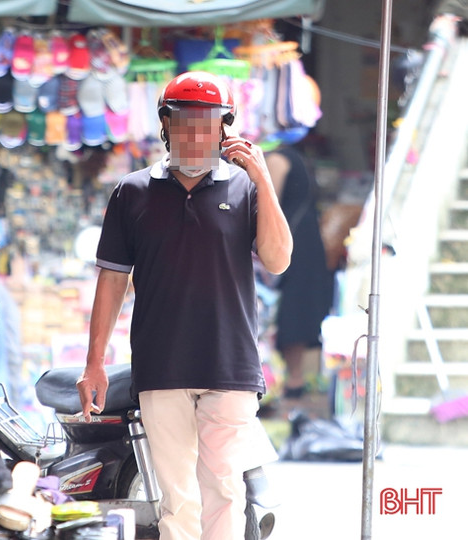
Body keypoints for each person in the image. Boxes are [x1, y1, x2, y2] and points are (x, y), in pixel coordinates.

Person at [76, 71, 292, 540]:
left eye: (207, 123)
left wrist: (261, 176)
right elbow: (112, 281)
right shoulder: (131, 192)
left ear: (224, 129)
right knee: (177, 500)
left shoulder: (247, 188)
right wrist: (94, 363)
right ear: (166, 126)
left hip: (229, 365)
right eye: (184, 121)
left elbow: (277, 260)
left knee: (225, 491)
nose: (195, 134)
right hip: (160, 365)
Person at [265, 144, 334, 399]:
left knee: (290, 311)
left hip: (291, 246)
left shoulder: (277, 160)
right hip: (303, 242)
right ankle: (294, 378)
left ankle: (292, 378)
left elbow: (267, 205)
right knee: (298, 309)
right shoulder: (295, 158)